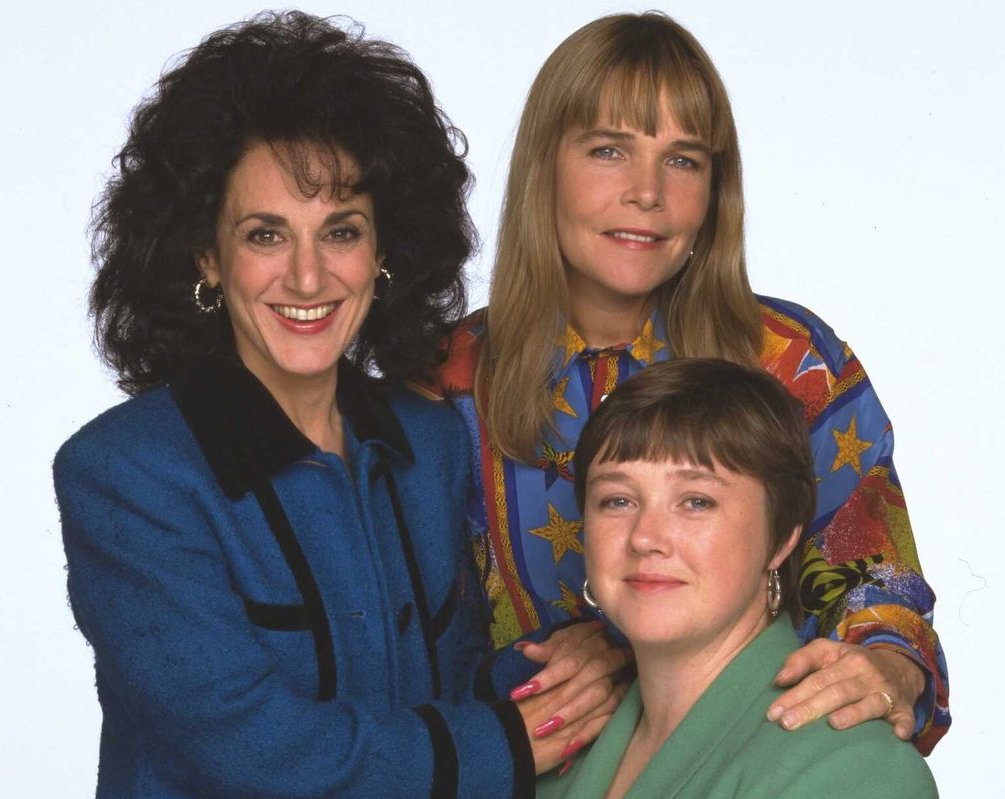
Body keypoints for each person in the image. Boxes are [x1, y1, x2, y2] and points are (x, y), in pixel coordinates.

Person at [54, 12, 610, 798]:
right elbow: (256, 753)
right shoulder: (126, 474)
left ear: (385, 252)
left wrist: (582, 660)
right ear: (206, 256)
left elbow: (446, 697)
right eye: (265, 236)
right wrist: (513, 745)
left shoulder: (428, 440)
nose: (309, 279)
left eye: (341, 231)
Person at [426, 11, 949, 752]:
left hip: (749, 760)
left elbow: (870, 569)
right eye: (609, 150)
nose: (647, 192)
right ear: (546, 167)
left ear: (715, 191)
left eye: (683, 159)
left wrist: (889, 666)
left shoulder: (791, 359)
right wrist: (583, 659)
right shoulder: (446, 381)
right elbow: (406, 650)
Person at [536, 358, 937, 798]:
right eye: (617, 501)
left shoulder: (855, 770)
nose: (645, 538)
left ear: (781, 538)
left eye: (696, 502)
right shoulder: (551, 753)